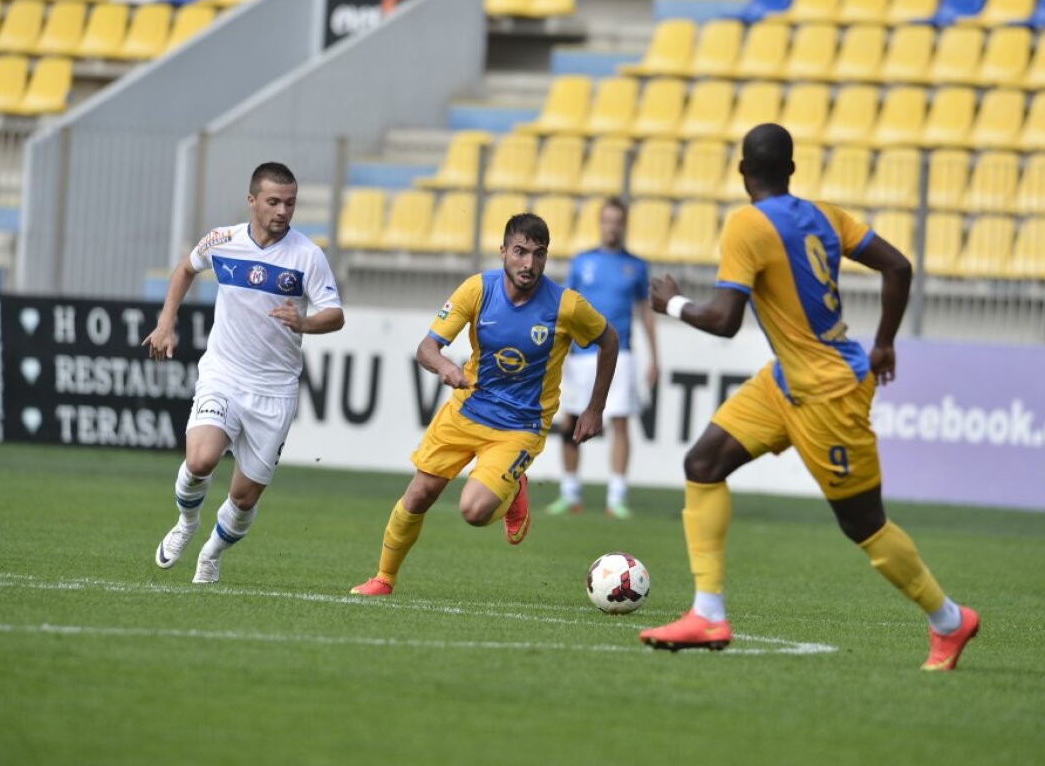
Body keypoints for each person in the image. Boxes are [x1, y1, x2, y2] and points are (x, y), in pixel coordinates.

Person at [639, 124, 979, 671]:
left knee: (863, 526)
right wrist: (885, 342)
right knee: (703, 463)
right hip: (786, 381)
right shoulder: (825, 215)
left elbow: (726, 321)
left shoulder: (747, 225)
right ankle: (707, 613)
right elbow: (899, 266)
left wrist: (673, 304)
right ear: (791, 170)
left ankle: (949, 620)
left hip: (830, 394)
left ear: (742, 171)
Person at [350, 212, 618, 596]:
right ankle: (383, 579)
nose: (529, 264)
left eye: (538, 255)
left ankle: (512, 489)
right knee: (420, 494)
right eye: (521, 252)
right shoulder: (477, 290)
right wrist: (444, 367)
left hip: (520, 427)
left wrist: (595, 408)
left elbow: (609, 341)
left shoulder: (566, 306)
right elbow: (427, 348)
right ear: (503, 251)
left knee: (473, 512)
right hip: (467, 409)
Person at [143, 162, 344, 584]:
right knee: (201, 459)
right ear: (252, 200)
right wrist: (165, 323)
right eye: (273, 202)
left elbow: (335, 315)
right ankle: (186, 524)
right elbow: (184, 270)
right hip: (224, 373)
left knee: (244, 496)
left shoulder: (307, 256)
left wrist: (305, 323)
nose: (283, 211)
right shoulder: (223, 240)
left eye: (290, 203)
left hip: (275, 388)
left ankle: (211, 554)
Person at [548, 197, 659, 519]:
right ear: (600, 223)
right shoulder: (583, 262)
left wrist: (654, 358)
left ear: (623, 225)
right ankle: (570, 493)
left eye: (617, 221)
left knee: (620, 422)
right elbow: (567, 310)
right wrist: (561, 351)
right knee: (570, 420)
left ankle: (617, 496)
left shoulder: (636, 266)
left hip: (621, 353)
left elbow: (646, 314)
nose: (612, 226)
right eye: (607, 220)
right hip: (580, 356)